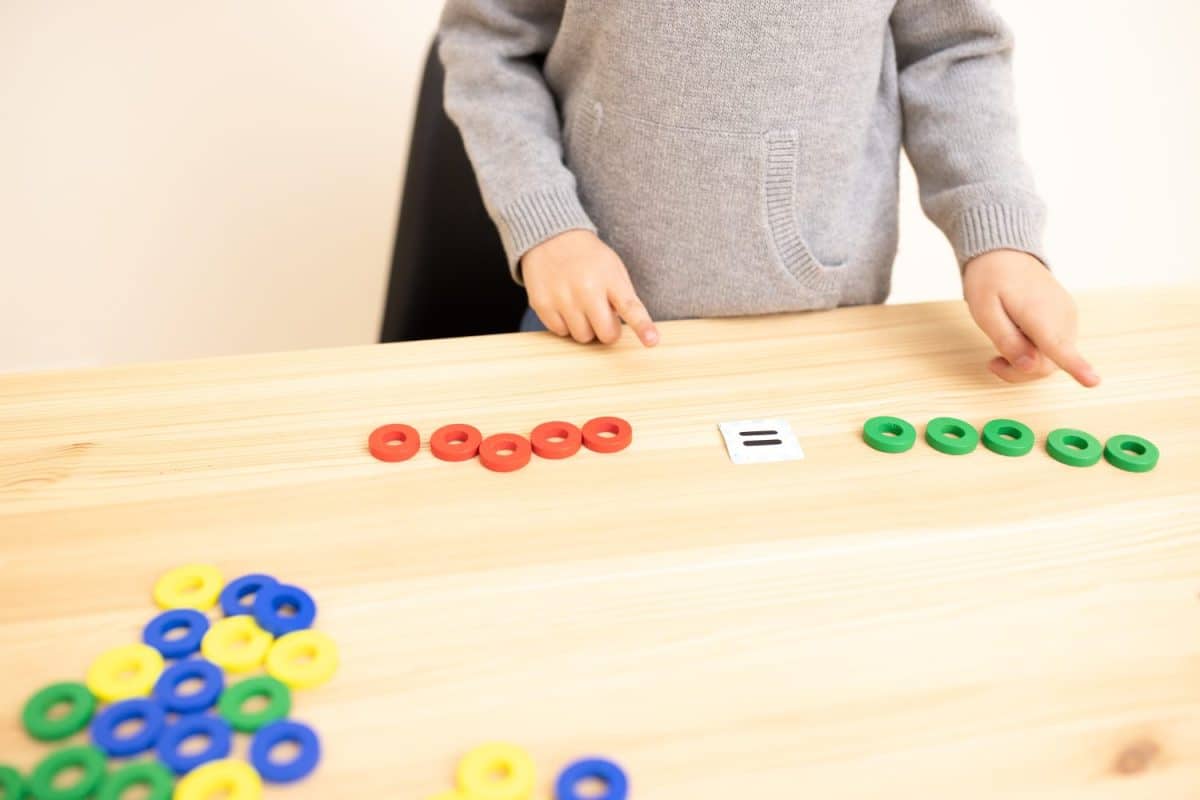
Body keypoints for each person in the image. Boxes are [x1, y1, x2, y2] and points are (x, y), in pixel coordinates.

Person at [438, 0, 1100, 387]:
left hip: (822, 329)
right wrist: (550, 227)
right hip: (591, 321)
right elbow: (491, 43)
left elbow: (951, 52)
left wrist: (998, 236)